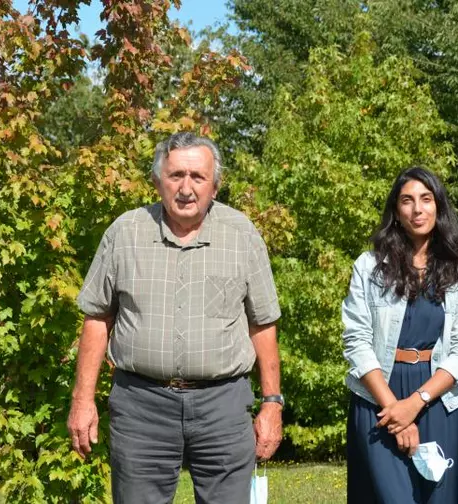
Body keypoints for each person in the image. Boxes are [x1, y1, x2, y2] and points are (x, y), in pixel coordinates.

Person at [67, 132, 284, 504]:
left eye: (197, 177)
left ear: (214, 186)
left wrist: (272, 403)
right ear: (157, 182)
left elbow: (262, 324)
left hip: (223, 405)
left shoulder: (241, 235)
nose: (186, 188)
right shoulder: (125, 233)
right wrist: (82, 400)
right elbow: (97, 319)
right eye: (176, 176)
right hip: (141, 406)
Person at [342, 167, 458, 503]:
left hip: (437, 399)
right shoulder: (370, 266)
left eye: (426, 199)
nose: (417, 209)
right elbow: (356, 341)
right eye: (407, 201)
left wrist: (416, 403)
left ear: (438, 206)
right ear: (396, 211)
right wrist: (398, 414)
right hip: (379, 401)